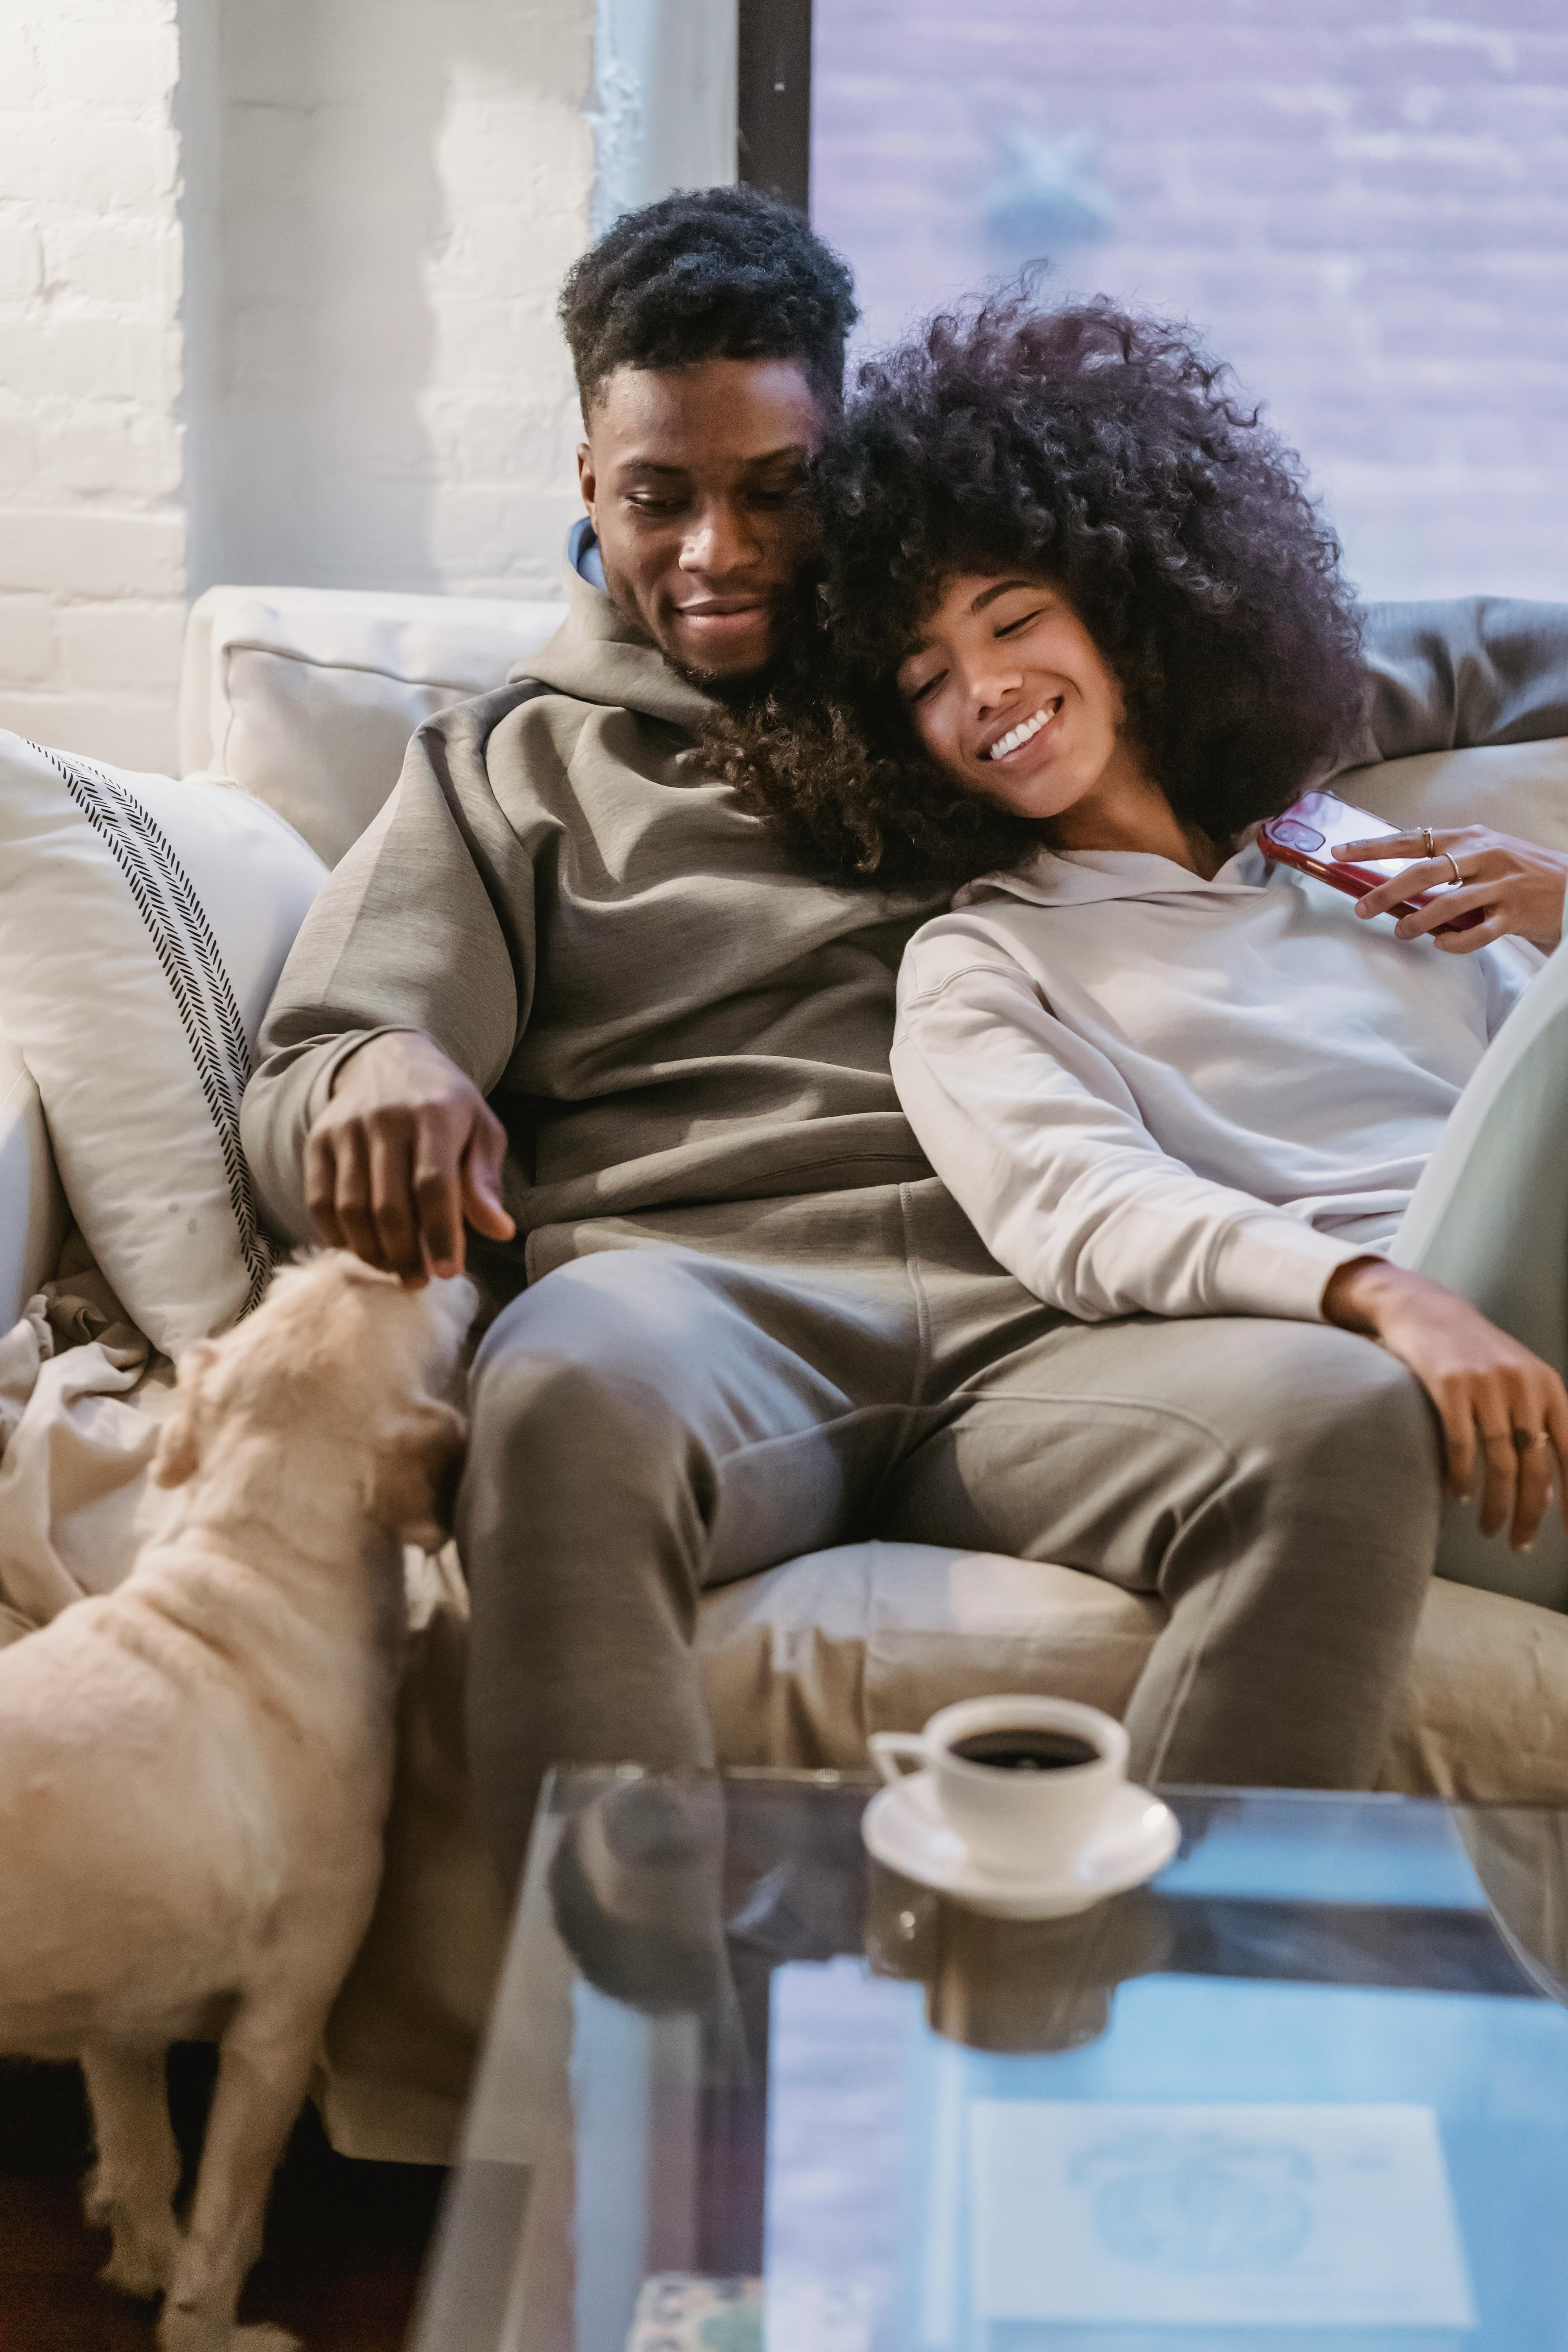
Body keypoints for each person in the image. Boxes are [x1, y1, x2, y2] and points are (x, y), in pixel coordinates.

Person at [241, 189, 1568, 1893]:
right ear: (588, 483)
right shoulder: (506, 769)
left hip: (1057, 1326)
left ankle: (1165, 2047)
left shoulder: (992, 675)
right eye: (658, 497)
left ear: (839, 462)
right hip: (711, 1297)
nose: (714, 549)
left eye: (770, 492)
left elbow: (1417, 655)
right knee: (564, 1385)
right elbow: (315, 1069)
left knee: (1334, 1416)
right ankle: (630, 2082)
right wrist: (378, 1075)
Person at [718, 292, 1568, 1615]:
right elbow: (1093, 1217)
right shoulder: (984, 965)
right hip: (1425, 1370)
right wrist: (1387, 1298)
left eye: (1011, 621)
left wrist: (1563, 921)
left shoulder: (1344, 850)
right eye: (924, 678)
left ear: (1124, 604)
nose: (983, 688)